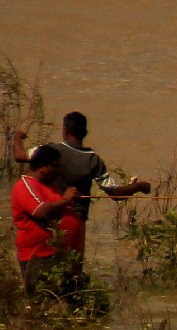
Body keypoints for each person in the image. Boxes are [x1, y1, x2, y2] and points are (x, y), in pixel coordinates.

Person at [11, 111, 152, 266]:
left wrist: (18, 137)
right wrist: (136, 186)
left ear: (65, 131)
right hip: (76, 222)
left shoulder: (52, 151)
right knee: (73, 270)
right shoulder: (93, 160)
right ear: (85, 133)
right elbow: (115, 193)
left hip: (50, 217)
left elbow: (19, 156)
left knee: (50, 267)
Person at [10, 145, 73, 296]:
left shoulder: (49, 186)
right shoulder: (25, 185)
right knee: (39, 298)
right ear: (40, 166)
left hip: (53, 252)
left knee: (58, 298)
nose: (58, 171)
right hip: (36, 255)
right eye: (54, 166)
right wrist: (65, 200)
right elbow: (39, 211)